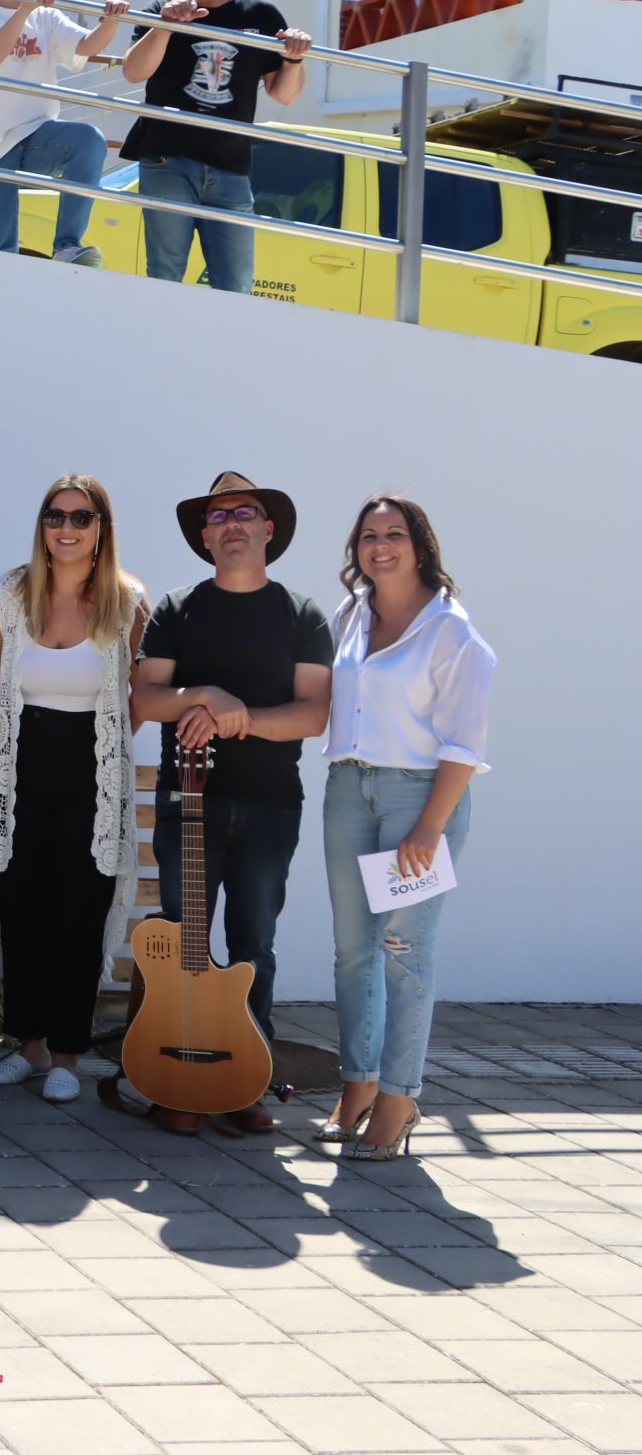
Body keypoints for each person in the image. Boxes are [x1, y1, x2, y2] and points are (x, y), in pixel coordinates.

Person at [130, 471, 332, 1136]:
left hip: (271, 805)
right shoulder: (178, 607)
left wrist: (235, 715)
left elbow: (313, 714)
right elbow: (146, 698)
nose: (233, 524)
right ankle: (174, 1076)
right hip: (190, 801)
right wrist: (203, 694)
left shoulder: (302, 614)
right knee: (181, 939)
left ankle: (249, 1077)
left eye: (246, 513)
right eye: (219, 517)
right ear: (204, 535)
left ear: (268, 529)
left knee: (254, 946)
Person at [320, 496, 493, 1162]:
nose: (380, 545)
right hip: (348, 790)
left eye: (394, 534)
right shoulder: (350, 616)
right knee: (352, 950)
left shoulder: (451, 630)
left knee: (402, 952)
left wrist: (430, 826)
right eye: (369, 535)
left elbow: (464, 743)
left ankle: (400, 1096)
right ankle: (357, 1085)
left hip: (419, 796)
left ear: (420, 546)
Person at [0, 476, 147, 1105]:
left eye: (81, 516)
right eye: (54, 516)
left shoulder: (127, 603)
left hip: (94, 775)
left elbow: (137, 698)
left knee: (80, 909)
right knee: (23, 906)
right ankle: (29, 1046)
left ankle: (68, 1052)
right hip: (21, 769)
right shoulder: (10, 598)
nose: (66, 528)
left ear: (101, 528)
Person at [119, 0, 313, 294]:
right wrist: (165, 26)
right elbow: (133, 71)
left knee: (236, 285)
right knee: (165, 276)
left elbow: (284, 95)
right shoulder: (160, 10)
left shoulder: (262, 16)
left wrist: (294, 59)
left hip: (231, 169)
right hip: (166, 161)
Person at [0, 0, 127, 266]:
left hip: (37, 134)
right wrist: (24, 11)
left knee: (88, 141)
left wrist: (110, 22)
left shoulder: (46, 16)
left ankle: (68, 245)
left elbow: (84, 46)